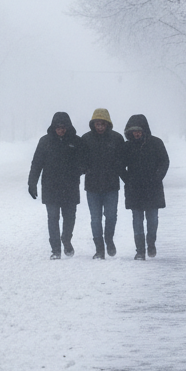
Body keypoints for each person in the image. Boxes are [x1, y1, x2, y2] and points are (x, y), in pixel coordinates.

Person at [28, 111, 83, 259]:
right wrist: (32, 183)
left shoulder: (76, 141)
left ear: (68, 127)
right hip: (50, 186)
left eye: (63, 127)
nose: (61, 129)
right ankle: (56, 250)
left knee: (69, 217)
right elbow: (37, 163)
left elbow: (84, 162)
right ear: (53, 127)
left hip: (70, 186)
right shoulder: (45, 141)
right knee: (52, 218)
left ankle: (66, 239)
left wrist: (78, 171)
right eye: (58, 127)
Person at [121, 113, 170, 260]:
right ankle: (140, 250)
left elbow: (164, 162)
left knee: (152, 219)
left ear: (144, 130)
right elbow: (119, 165)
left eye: (139, 130)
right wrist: (128, 179)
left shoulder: (156, 143)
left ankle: (151, 243)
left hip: (152, 188)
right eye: (134, 130)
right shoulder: (126, 147)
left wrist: (157, 178)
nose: (136, 133)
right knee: (137, 220)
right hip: (134, 189)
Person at [79, 108, 125, 259]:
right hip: (92, 186)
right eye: (97, 124)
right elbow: (80, 160)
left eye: (102, 124)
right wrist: (84, 168)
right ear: (93, 124)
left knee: (111, 216)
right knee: (95, 218)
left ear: (107, 124)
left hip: (111, 185)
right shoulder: (85, 139)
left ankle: (109, 240)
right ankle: (99, 249)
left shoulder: (117, 139)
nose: (100, 127)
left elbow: (122, 160)